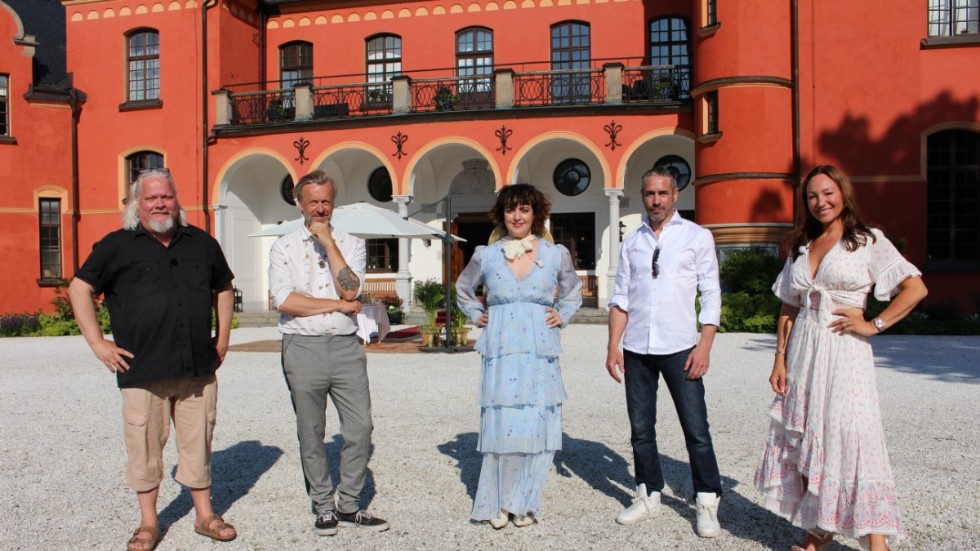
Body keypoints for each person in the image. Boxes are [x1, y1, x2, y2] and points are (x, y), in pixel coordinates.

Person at [755, 165, 927, 551]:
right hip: (803, 352)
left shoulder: (866, 241)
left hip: (845, 353)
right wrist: (779, 358)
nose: (820, 202)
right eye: (813, 196)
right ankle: (817, 535)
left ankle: (876, 541)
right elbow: (788, 304)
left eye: (828, 193)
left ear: (843, 194)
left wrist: (874, 323)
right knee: (808, 440)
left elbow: (914, 288)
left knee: (852, 438)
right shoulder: (802, 244)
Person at [68, 168, 237, 551]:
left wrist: (223, 339)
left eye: (166, 196)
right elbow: (79, 288)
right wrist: (98, 343)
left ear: (176, 201)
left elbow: (223, 287)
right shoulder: (116, 245)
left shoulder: (202, 243)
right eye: (151, 198)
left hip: (197, 367)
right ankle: (148, 523)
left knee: (199, 443)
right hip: (141, 370)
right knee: (144, 448)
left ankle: (205, 515)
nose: (160, 203)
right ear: (136, 204)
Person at [268, 169, 389, 536]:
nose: (320, 209)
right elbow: (285, 301)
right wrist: (336, 305)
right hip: (301, 346)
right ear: (299, 203)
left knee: (360, 427)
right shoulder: (283, 246)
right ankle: (323, 505)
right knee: (311, 430)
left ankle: (349, 504)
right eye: (313, 201)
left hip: (344, 347)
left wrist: (330, 244)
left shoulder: (351, 243)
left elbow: (351, 291)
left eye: (326, 201)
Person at [605, 167, 724, 537]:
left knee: (696, 428)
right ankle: (648, 493)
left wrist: (704, 344)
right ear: (643, 196)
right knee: (641, 429)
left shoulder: (696, 236)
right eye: (649, 194)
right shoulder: (632, 241)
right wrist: (612, 345)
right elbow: (621, 297)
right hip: (637, 346)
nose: (655, 200)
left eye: (662, 193)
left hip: (680, 346)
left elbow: (712, 292)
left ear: (675, 195)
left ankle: (706, 499)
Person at [456, 183, 582, 529]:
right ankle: (501, 502)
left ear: (535, 214)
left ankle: (525, 501)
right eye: (511, 209)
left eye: (524, 209)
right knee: (502, 423)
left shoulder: (555, 255)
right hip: (501, 347)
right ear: (502, 214)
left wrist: (563, 314)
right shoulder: (486, 254)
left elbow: (573, 291)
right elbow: (463, 287)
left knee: (536, 422)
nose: (517, 216)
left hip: (540, 348)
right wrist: (474, 313)